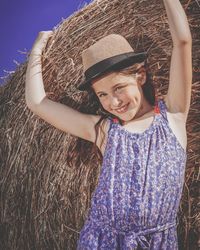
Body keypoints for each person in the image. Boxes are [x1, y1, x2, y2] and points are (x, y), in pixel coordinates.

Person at [25, 0, 192, 249]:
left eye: (119, 88)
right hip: (102, 241)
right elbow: (37, 103)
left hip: (158, 243)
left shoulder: (173, 116)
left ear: (141, 76)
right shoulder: (104, 130)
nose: (113, 102)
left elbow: (182, 42)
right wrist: (37, 51)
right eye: (102, 95)